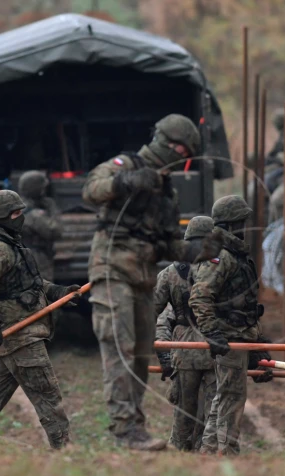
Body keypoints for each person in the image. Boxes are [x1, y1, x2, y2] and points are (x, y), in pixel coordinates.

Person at [82, 114, 201, 451]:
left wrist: (198, 251)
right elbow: (91, 189)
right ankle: (124, 428)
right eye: (179, 147)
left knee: (139, 355)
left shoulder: (167, 192)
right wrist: (126, 182)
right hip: (112, 268)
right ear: (163, 141)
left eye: (187, 152)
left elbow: (168, 243)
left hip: (144, 277)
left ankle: (134, 424)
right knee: (120, 345)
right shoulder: (124, 164)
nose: (181, 155)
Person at [0, 190, 80, 449]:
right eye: (16, 213)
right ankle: (65, 450)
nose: (21, 217)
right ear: (3, 217)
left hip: (13, 339)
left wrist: (57, 292)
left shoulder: (11, 243)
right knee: (48, 396)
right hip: (19, 337)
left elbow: (28, 284)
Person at [189, 195, 272, 456]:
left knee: (224, 396)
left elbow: (245, 308)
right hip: (228, 338)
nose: (245, 227)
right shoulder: (220, 255)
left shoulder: (235, 253)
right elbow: (199, 295)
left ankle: (211, 451)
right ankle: (226, 454)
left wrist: (258, 345)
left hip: (240, 336)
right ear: (231, 224)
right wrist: (212, 333)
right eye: (241, 222)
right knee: (231, 397)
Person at [153, 215, 216, 451]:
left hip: (183, 349)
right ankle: (208, 457)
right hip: (215, 348)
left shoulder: (169, 273)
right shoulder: (221, 269)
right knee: (213, 415)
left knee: (183, 415)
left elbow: (153, 312)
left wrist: (161, 350)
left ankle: (179, 456)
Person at [17, 170, 61, 280]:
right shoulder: (32, 214)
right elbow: (55, 231)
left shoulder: (19, 207)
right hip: (36, 261)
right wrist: (52, 209)